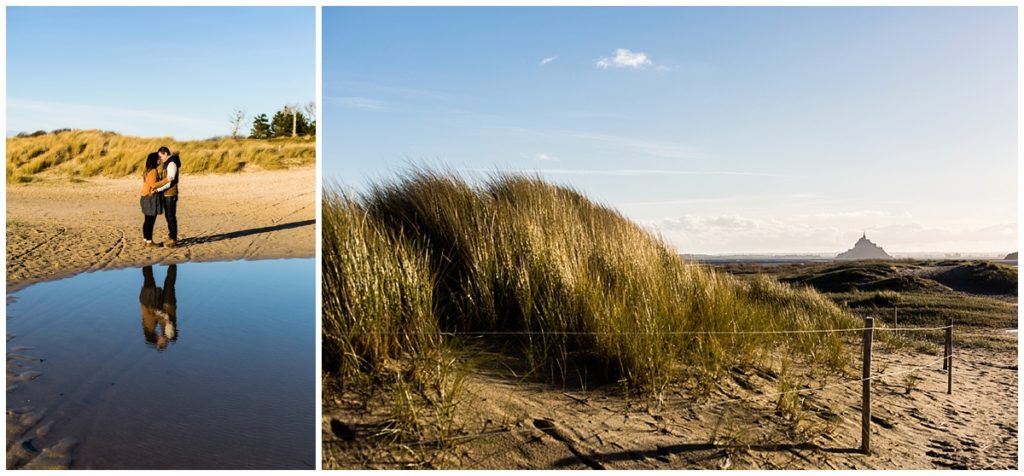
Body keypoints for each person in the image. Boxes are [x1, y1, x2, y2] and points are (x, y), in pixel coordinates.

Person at [139, 265, 178, 351]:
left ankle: (147, 263)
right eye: (162, 343)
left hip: (150, 301)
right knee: (168, 283)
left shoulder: (151, 329)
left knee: (150, 279)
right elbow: (165, 319)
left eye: (159, 342)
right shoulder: (168, 334)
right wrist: (167, 321)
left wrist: (163, 317)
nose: (160, 340)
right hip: (167, 304)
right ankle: (172, 264)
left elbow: (154, 313)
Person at [154, 146, 182, 248]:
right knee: (168, 216)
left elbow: (170, 182)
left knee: (171, 217)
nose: (160, 159)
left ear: (165, 153)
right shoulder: (168, 163)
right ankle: (171, 236)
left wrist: (158, 190)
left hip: (171, 194)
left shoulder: (172, 163)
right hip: (167, 194)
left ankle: (173, 239)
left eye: (161, 156)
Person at [140, 152, 169, 246]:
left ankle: (146, 240)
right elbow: (154, 185)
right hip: (150, 198)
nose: (160, 160)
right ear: (154, 160)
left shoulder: (147, 170)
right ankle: (149, 241)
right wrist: (166, 180)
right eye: (158, 158)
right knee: (150, 221)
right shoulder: (153, 171)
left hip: (145, 197)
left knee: (147, 220)